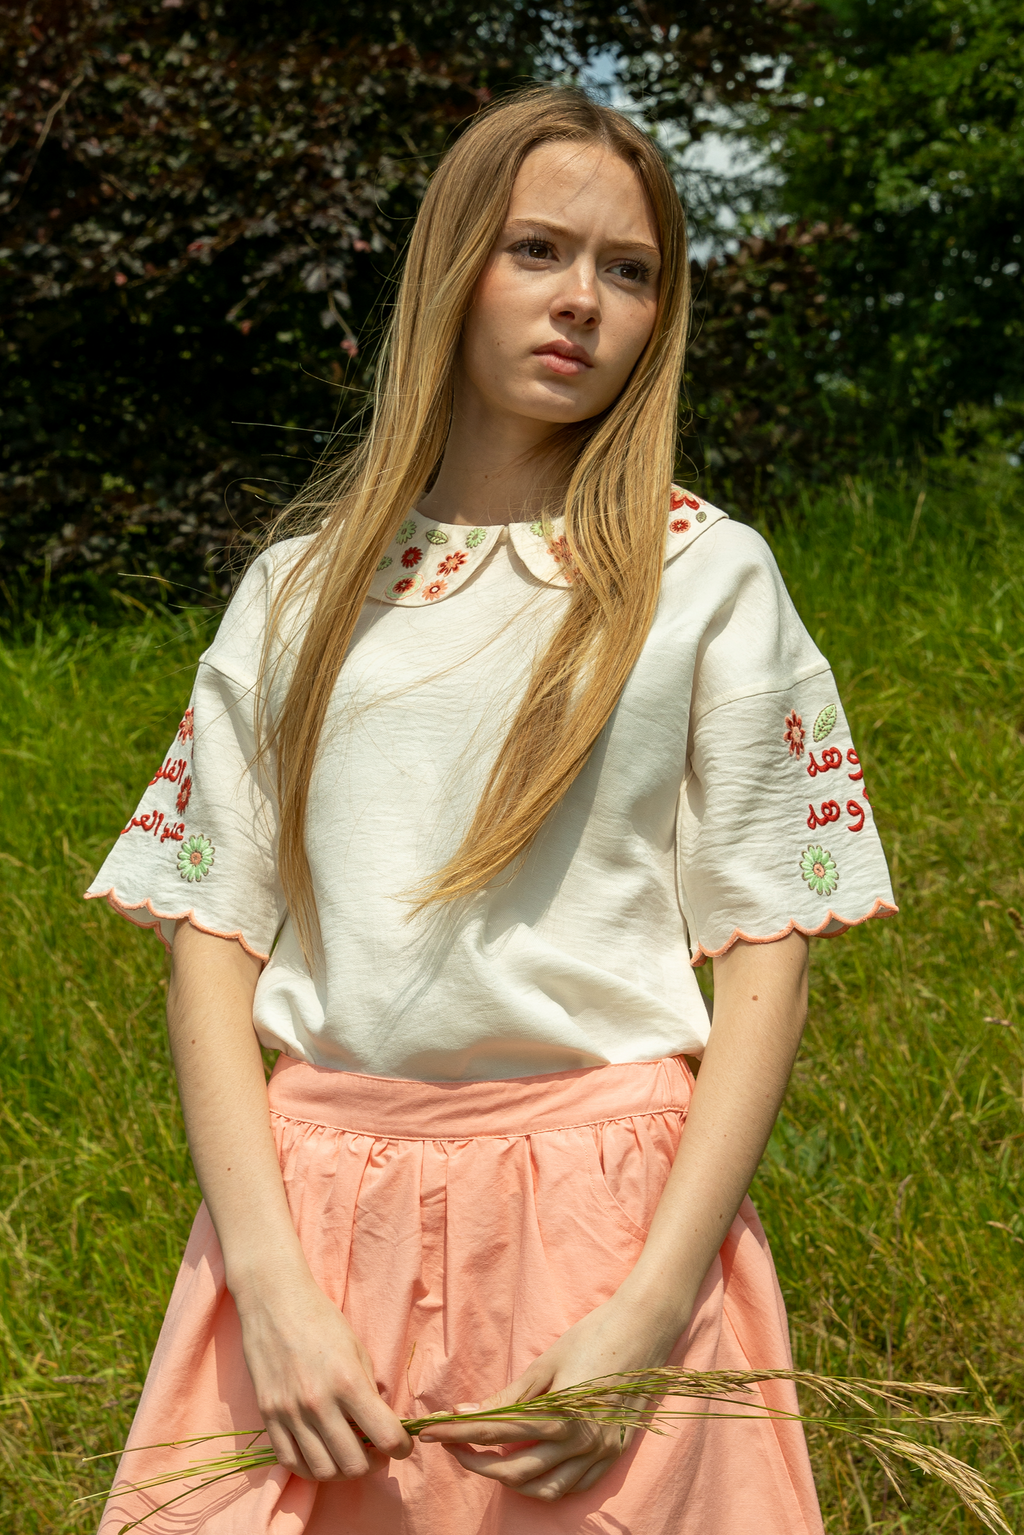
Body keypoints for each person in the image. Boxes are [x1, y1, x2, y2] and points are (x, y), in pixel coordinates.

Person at [86, 85, 896, 1535]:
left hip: (606, 1223)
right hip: (311, 1220)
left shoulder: (706, 577)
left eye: (630, 270)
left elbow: (767, 946)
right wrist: (267, 1282)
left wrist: (650, 1302)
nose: (582, 300)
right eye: (538, 249)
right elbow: (214, 931)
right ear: (454, 266)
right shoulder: (300, 590)